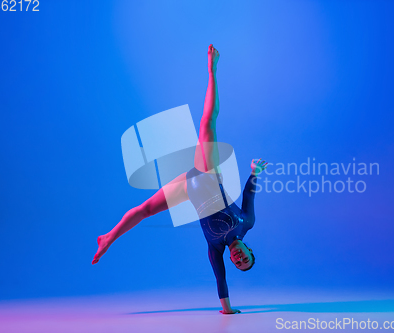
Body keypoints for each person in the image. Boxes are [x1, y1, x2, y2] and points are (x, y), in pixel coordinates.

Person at [92, 44, 267, 314]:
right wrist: (254, 173)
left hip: (189, 189)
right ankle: (212, 69)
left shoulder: (216, 247)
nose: (238, 258)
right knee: (208, 121)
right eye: (245, 258)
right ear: (249, 249)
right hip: (207, 175)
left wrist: (227, 309)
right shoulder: (247, 222)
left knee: (145, 210)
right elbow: (248, 196)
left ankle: (108, 238)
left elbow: (219, 278)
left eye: (237, 263)